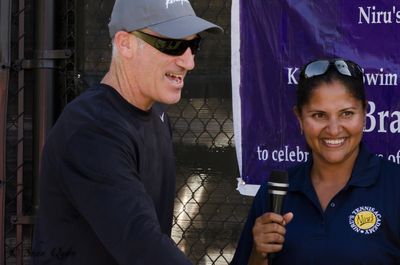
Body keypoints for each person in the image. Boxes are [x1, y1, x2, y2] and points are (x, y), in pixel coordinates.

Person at [31, 0, 222, 264]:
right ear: (125, 44)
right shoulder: (92, 130)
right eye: (173, 44)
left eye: (193, 45)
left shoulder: (154, 116)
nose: (188, 62)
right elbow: (142, 245)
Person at [231, 58, 400, 265]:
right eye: (319, 115)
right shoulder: (275, 193)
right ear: (299, 118)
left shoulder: (395, 186)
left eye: (347, 113)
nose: (334, 129)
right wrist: (258, 255)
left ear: (365, 113)